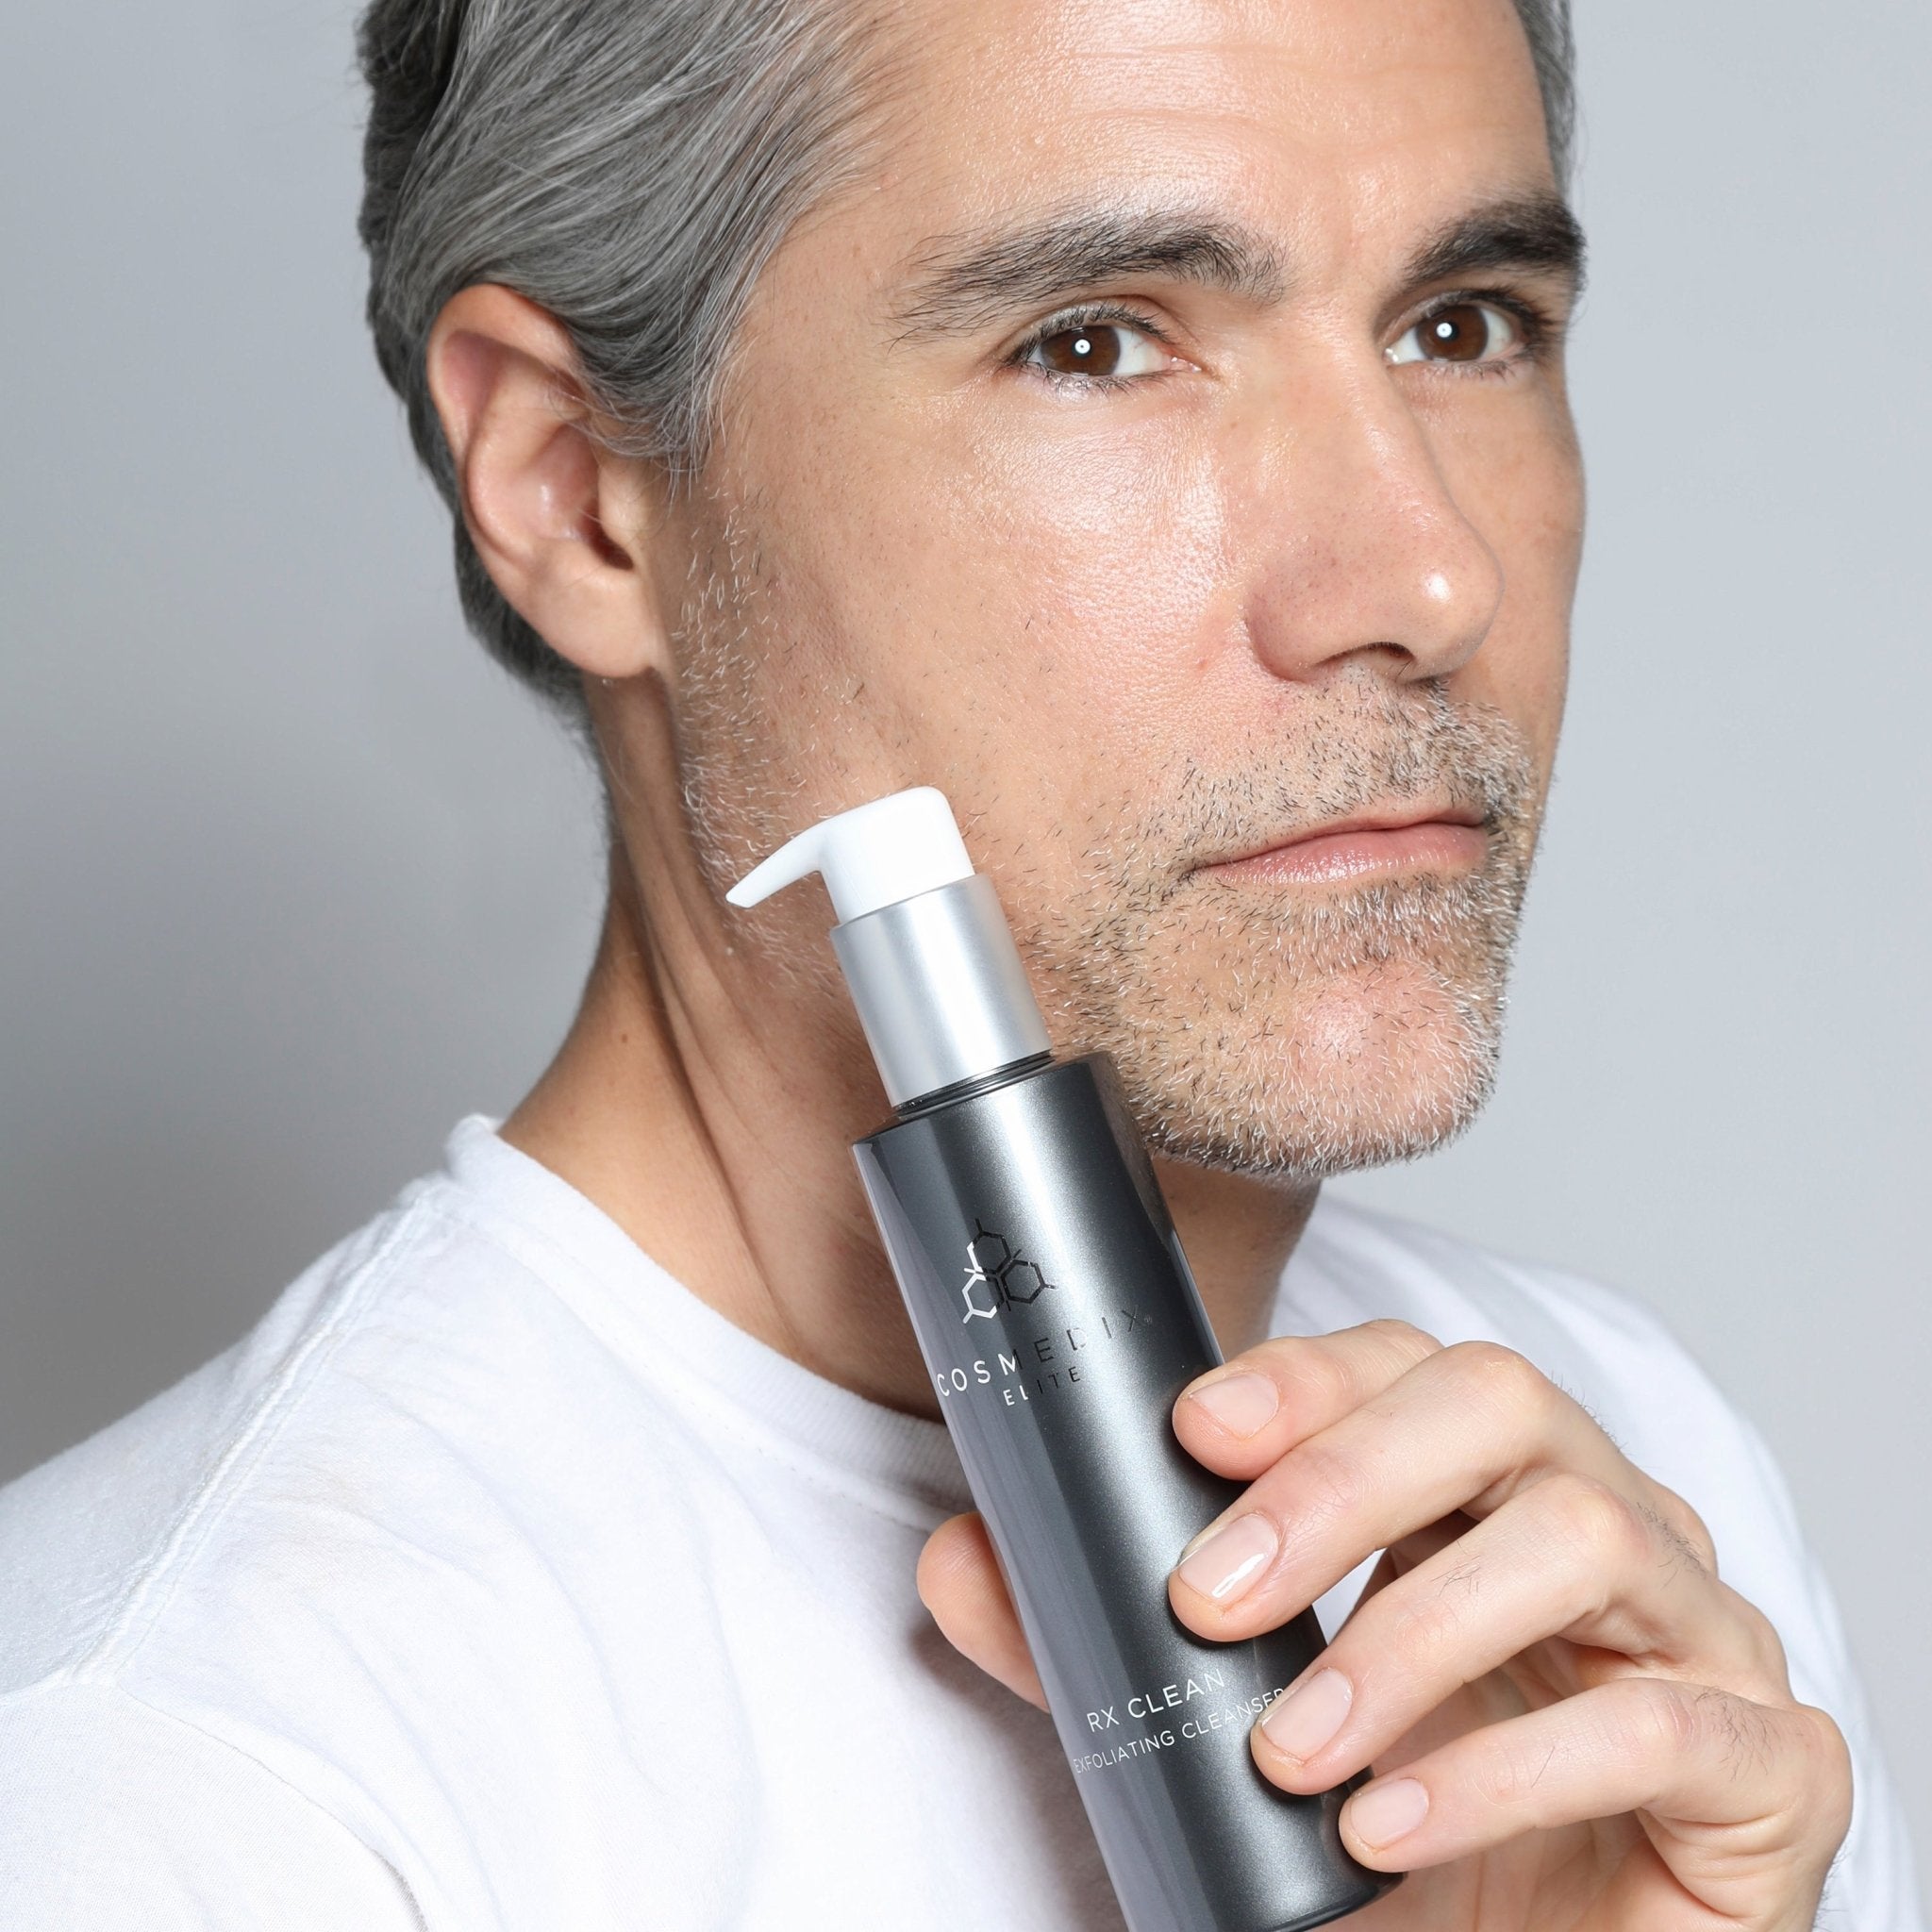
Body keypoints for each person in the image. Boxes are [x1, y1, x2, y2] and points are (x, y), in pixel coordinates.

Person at [0, 0, 1921, 1923]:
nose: (1426, 579)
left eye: (1463, 323)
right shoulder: (203, 1774)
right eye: (1095, 344)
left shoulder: (1614, 1522)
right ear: (577, 491)